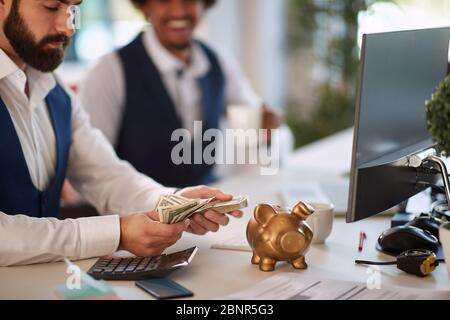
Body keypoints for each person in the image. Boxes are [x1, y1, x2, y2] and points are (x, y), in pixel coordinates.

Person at [0, 0, 243, 267]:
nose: (67, 27)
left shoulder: (55, 90)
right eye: (51, 7)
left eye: (72, 9)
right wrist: (116, 233)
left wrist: (171, 202)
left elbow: (105, 174)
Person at [79, 0, 281, 188]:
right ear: (144, 5)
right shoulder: (109, 71)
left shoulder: (218, 61)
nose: (178, 10)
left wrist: (263, 130)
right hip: (141, 216)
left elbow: (251, 129)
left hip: (208, 206)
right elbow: (94, 169)